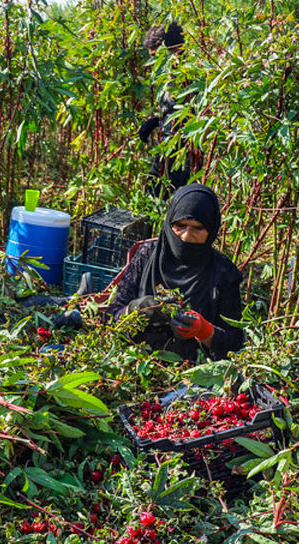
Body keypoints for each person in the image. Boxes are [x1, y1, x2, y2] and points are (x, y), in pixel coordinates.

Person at [108, 184, 244, 361]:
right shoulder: (147, 255)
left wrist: (204, 331)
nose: (187, 236)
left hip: (192, 374)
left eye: (197, 228)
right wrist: (140, 309)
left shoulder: (224, 273)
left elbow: (235, 343)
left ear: (211, 230)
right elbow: (111, 320)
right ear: (169, 221)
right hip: (135, 361)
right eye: (180, 225)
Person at [139, 22, 194, 197]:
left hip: (185, 155)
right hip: (167, 150)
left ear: (173, 49)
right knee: (151, 198)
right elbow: (172, 110)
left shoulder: (192, 73)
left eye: (157, 56)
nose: (154, 63)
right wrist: (156, 121)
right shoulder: (169, 76)